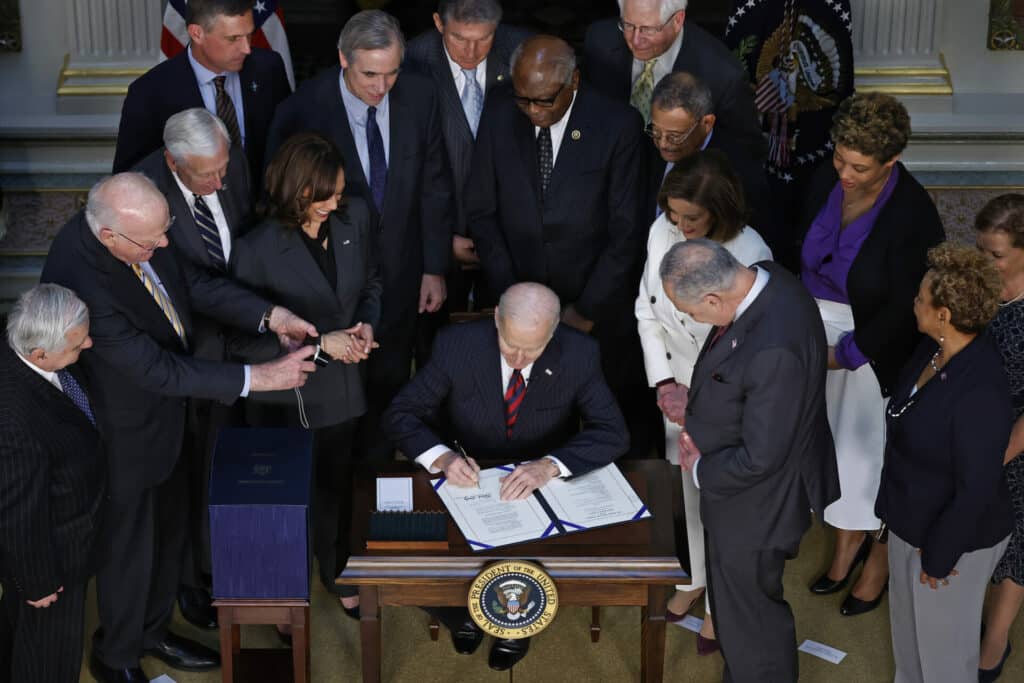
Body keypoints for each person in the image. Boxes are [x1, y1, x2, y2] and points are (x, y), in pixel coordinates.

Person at [39, 172, 317, 683]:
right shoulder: (84, 281)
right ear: (109, 237)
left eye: (165, 231)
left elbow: (189, 282)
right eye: (155, 239)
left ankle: (153, 631)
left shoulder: (139, 234)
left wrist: (269, 315)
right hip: (123, 436)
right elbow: (156, 369)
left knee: (169, 537)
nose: (166, 243)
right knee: (128, 552)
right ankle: (116, 656)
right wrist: (260, 377)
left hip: (166, 420)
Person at [384, 282, 628, 671]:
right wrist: (443, 458)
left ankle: (514, 622)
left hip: (539, 478)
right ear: (496, 319)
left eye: (531, 349)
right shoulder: (456, 344)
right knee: (413, 553)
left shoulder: (580, 352)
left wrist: (550, 465)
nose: (517, 359)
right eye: (509, 344)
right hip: (469, 469)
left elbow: (613, 432)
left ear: (553, 332)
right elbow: (400, 414)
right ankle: (460, 615)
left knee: (535, 554)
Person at [267, 9, 455, 461]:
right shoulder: (303, 109)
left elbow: (434, 184)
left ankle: (373, 489)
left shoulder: (420, 95)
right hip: (330, 288)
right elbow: (281, 205)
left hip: (401, 275)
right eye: (370, 74)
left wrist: (434, 267)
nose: (381, 86)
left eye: (391, 73)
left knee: (390, 389)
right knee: (334, 402)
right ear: (342, 59)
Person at [467, 35, 655, 458]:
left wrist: (584, 311)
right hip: (520, 307)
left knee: (606, 426)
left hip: (594, 311)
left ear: (573, 81)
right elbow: (482, 213)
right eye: (524, 101)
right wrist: (515, 299)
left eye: (544, 101)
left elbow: (626, 232)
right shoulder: (500, 112)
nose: (533, 112)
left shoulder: (617, 124)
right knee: (532, 431)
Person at [661, 239, 838, 682]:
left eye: (692, 312)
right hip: (749, 500)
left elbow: (762, 456)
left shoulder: (774, 347)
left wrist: (700, 466)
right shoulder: (768, 276)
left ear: (714, 298)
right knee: (739, 614)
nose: (692, 320)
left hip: (758, 508)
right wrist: (699, 409)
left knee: (751, 619)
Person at [801, 92, 944, 617]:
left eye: (859, 167)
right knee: (815, 437)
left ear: (892, 162)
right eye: (840, 158)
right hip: (811, 320)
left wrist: (845, 355)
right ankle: (840, 535)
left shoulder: (914, 215)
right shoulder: (827, 176)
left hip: (872, 342)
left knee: (858, 452)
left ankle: (859, 550)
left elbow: (908, 307)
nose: (844, 173)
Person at [231, 132, 382, 623]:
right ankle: (280, 594)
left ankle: (337, 572)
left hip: (345, 391)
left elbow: (373, 281)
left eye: (339, 191)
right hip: (285, 398)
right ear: (297, 191)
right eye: (325, 195)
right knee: (287, 501)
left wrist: (365, 322)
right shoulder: (255, 248)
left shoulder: (353, 218)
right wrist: (320, 345)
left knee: (339, 488)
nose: (337, 203)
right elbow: (239, 341)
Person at [634, 151, 772, 655]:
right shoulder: (660, 231)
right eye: (674, 214)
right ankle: (691, 577)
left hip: (725, 397)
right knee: (685, 494)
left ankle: (722, 604)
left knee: (723, 503)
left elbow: (753, 344)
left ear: (721, 211)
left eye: (691, 218)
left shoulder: (751, 251)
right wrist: (664, 382)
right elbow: (646, 311)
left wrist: (701, 396)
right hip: (677, 392)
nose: (679, 225)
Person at [134, 106, 257, 630]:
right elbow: (186, 285)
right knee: (194, 476)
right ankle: (193, 580)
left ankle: (233, 567)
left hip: (248, 344)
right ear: (172, 162)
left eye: (223, 169)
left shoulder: (227, 163)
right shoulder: (143, 197)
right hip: (190, 360)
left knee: (238, 468)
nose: (219, 181)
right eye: (206, 174)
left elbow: (246, 237)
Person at [877, 243, 1013, 683]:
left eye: (920, 298)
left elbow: (977, 487)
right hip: (910, 518)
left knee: (945, 658)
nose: (913, 302)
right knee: (909, 641)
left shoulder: (981, 391)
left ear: (944, 315)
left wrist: (939, 556)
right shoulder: (932, 351)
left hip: (953, 541)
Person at [0, 285, 104, 683]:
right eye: (78, 344)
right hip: (52, 566)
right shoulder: (15, 422)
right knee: (48, 663)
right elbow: (17, 513)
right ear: (39, 354)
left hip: (70, 540)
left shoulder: (27, 355)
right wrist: (38, 581)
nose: (89, 343)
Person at [405, 0, 532, 312]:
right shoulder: (410, 62)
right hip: (436, 239)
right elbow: (406, 165)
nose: (472, 52)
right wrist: (441, 242)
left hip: (513, 239)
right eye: (459, 38)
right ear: (438, 23)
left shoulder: (526, 53)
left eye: (484, 38)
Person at [112, 0, 292, 189]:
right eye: (233, 38)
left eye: (249, 35)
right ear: (197, 33)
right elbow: (130, 177)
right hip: (195, 214)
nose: (246, 48)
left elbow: (287, 140)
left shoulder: (268, 68)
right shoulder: (149, 93)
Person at [583, 0, 762, 152]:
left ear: (677, 20)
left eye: (648, 29)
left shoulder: (723, 76)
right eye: (628, 25)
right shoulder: (599, 41)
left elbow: (745, 154)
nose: (635, 40)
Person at [644, 72, 779, 258]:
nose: (663, 144)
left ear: (707, 123)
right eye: (657, 132)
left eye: (675, 136)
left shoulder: (739, 172)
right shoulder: (648, 146)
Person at [976, 194, 1024, 681]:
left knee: (1016, 545)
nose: (985, 261)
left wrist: (999, 455)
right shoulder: (985, 289)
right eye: (981, 249)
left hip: (1017, 441)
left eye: (996, 254)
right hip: (978, 429)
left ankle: (996, 639)